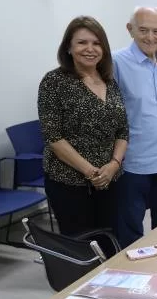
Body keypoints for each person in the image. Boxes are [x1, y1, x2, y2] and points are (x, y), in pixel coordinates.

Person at [37, 16, 127, 243]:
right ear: (68, 47)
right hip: (69, 183)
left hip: (110, 180)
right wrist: (92, 173)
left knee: (110, 239)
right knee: (81, 245)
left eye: (97, 43)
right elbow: (54, 137)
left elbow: (123, 131)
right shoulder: (54, 82)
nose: (90, 49)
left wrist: (114, 165)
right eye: (82, 42)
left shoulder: (110, 82)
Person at [113, 6, 157, 248]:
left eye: (156, 31)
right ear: (130, 30)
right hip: (134, 163)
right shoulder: (116, 62)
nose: (150, 37)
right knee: (130, 232)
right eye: (143, 30)